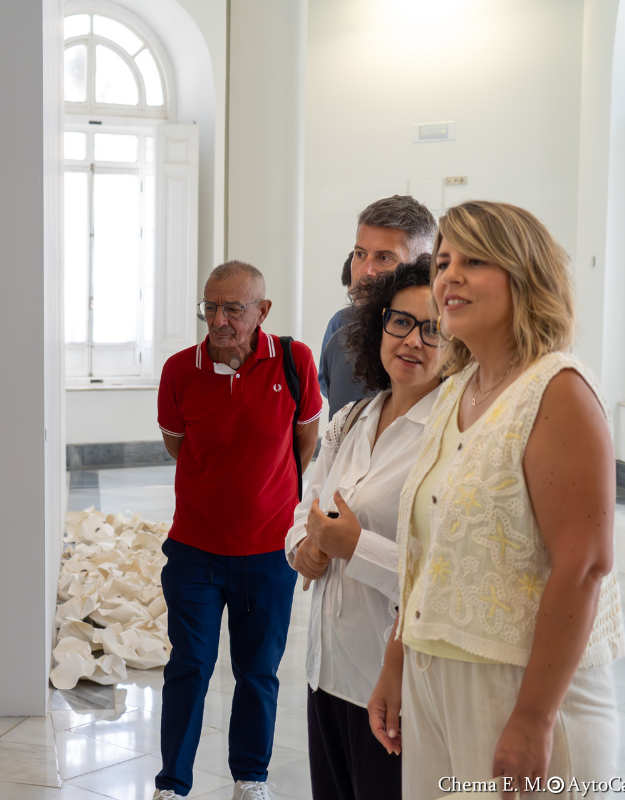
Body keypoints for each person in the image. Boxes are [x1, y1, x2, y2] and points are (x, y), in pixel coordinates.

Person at [367, 202, 625, 799]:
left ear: (525, 274)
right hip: (435, 676)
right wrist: (396, 659)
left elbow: (584, 565)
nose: (449, 277)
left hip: (522, 686)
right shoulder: (457, 389)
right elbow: (428, 553)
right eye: (443, 262)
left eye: (475, 261)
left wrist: (534, 716)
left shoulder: (557, 389)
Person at [154, 261, 322, 800]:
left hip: (269, 552)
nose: (219, 320)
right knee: (189, 666)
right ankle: (172, 785)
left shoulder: (295, 361)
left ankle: (250, 778)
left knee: (258, 671)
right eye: (210, 307)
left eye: (233, 308)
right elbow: (179, 445)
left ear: (262, 311)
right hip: (194, 550)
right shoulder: (180, 370)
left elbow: (305, 443)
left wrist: (268, 495)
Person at [288, 258, 442, 799]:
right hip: (325, 675)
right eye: (400, 321)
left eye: (433, 329)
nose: (413, 340)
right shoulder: (350, 420)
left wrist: (355, 547)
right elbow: (305, 511)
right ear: (380, 326)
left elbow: (447, 577)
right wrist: (305, 549)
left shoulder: (449, 440)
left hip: (391, 690)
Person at [320, 196, 437, 418]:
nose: (366, 270)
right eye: (360, 254)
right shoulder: (341, 339)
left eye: (384, 258)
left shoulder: (447, 343)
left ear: (423, 264)